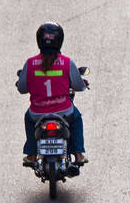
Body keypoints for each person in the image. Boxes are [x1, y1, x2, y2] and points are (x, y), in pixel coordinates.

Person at [17, 21, 88, 166]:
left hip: (37, 113)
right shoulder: (67, 63)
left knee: (28, 117)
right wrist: (83, 84)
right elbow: (79, 86)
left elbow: (22, 89)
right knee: (76, 118)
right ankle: (79, 154)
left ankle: (31, 154)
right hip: (64, 112)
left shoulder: (30, 63)